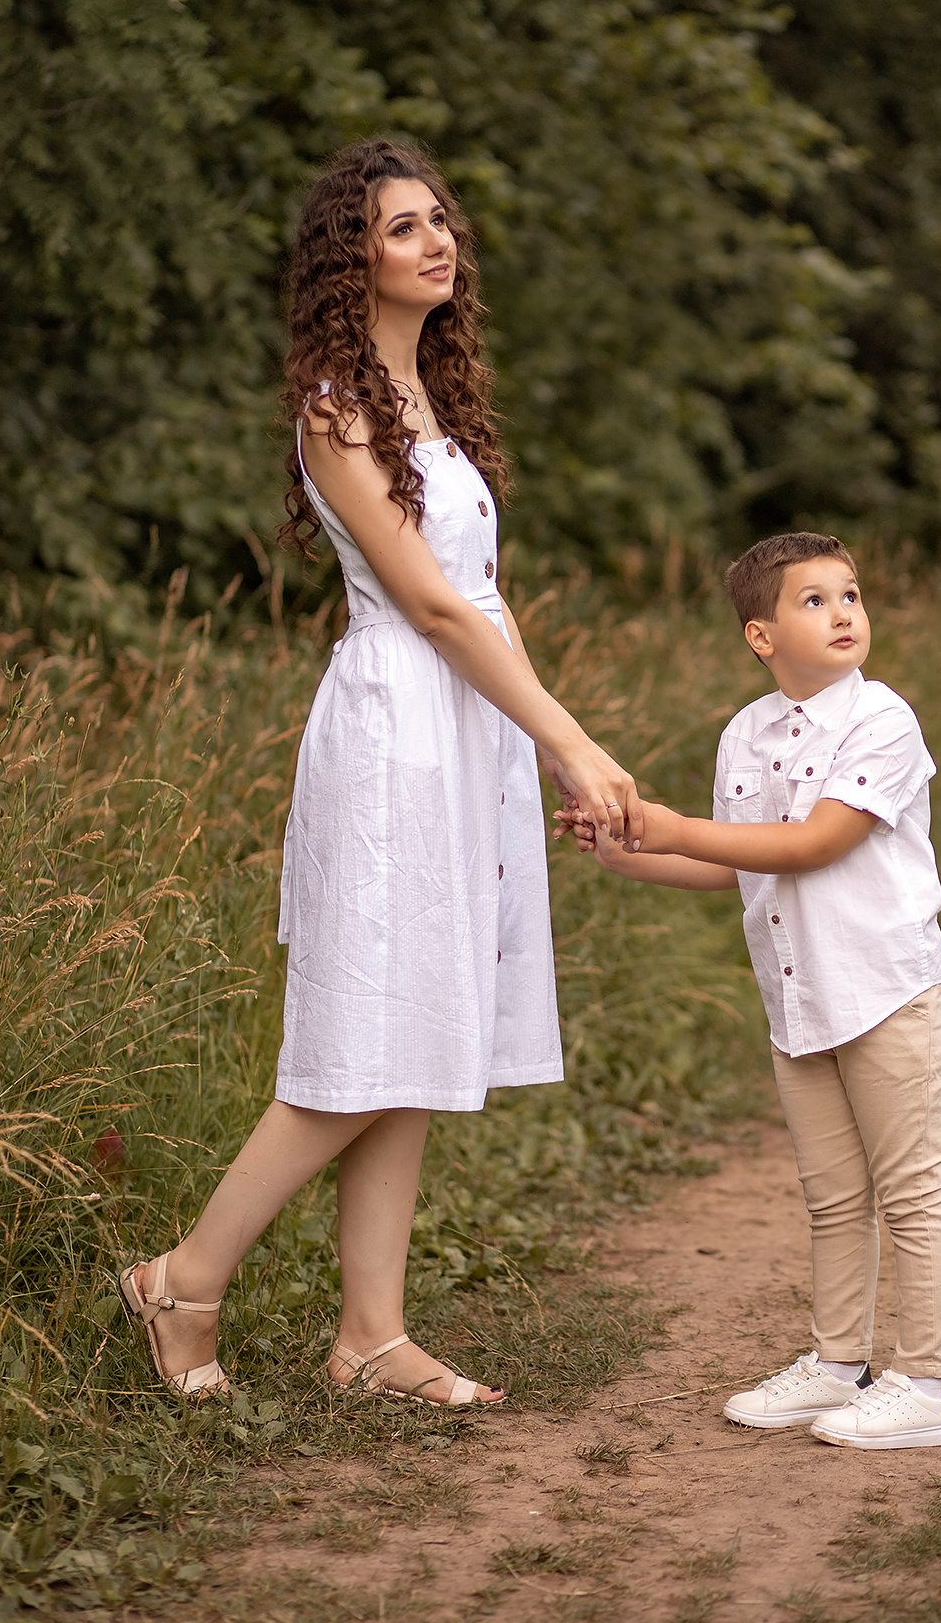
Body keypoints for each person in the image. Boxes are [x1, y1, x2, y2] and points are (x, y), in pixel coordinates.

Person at [118, 139, 642, 1405]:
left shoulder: (437, 414)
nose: (435, 241)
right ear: (350, 259)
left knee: (416, 1027)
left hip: (459, 732)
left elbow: (481, 608)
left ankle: (370, 1337)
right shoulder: (336, 412)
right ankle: (182, 1280)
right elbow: (436, 609)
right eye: (403, 227)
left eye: (439, 221)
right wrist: (567, 737)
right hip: (396, 731)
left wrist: (522, 742)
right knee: (362, 1036)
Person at [561, 532, 941, 1449]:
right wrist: (632, 852)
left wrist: (670, 822)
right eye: (814, 601)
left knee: (911, 1192)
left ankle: (931, 1388)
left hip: (886, 993)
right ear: (761, 634)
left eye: (850, 595)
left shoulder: (883, 721)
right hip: (801, 1000)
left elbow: (814, 844)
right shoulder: (746, 732)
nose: (844, 613)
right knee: (831, 1199)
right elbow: (738, 866)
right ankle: (837, 1366)